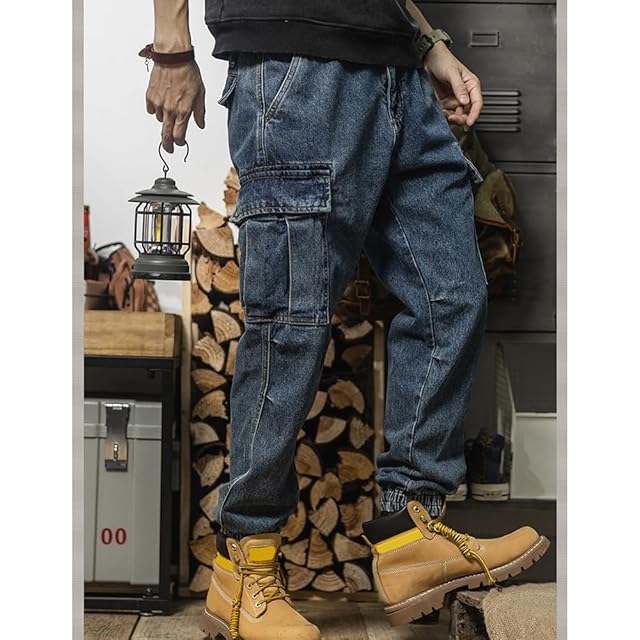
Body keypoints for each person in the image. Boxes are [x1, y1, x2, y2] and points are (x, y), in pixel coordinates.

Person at [146, 2, 550, 638]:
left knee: (452, 295)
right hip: (295, 69)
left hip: (399, 73)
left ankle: (409, 532)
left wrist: (428, 43)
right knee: (288, 326)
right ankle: (244, 566)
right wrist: (172, 45)